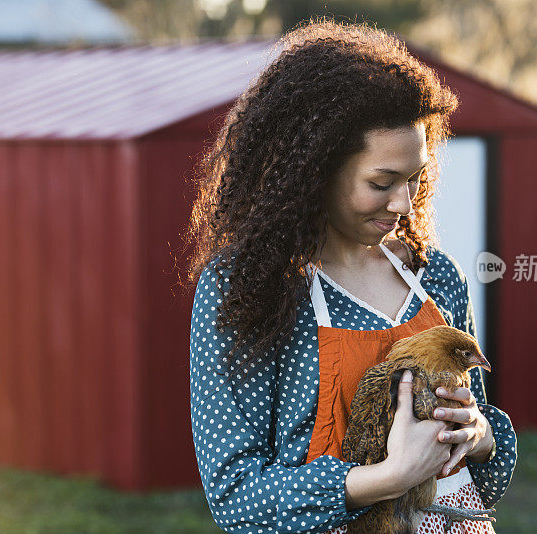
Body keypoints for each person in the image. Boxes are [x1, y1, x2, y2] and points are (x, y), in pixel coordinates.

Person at [184, 18, 517, 534]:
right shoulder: (248, 291)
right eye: (382, 182)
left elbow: (479, 437)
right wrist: (387, 477)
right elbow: (235, 496)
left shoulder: (437, 277)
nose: (403, 204)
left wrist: (479, 434)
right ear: (313, 169)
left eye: (414, 179)